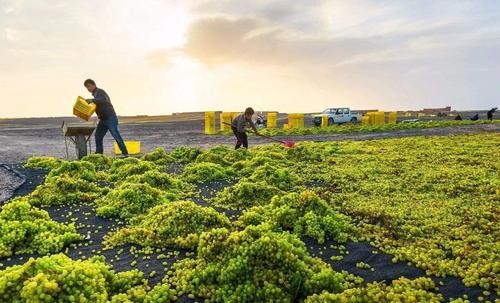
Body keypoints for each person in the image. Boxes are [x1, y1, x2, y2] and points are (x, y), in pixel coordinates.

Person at [83, 79, 128, 156]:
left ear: (94, 85)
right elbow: (97, 104)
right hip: (102, 119)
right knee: (98, 135)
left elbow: (103, 100)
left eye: (89, 86)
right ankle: (99, 153)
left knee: (115, 135)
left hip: (110, 118)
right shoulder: (95, 95)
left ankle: (125, 153)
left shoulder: (100, 92)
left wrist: (92, 100)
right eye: (86, 87)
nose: (88, 89)